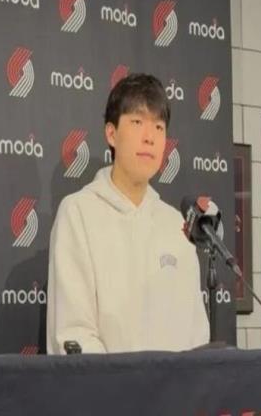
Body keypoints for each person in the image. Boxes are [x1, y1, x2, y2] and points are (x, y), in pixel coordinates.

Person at [46, 73, 209, 354]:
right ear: (111, 134)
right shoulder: (78, 213)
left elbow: (197, 333)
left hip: (179, 383)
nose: (149, 137)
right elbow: (73, 334)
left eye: (158, 127)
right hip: (109, 383)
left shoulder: (176, 225)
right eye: (137, 122)